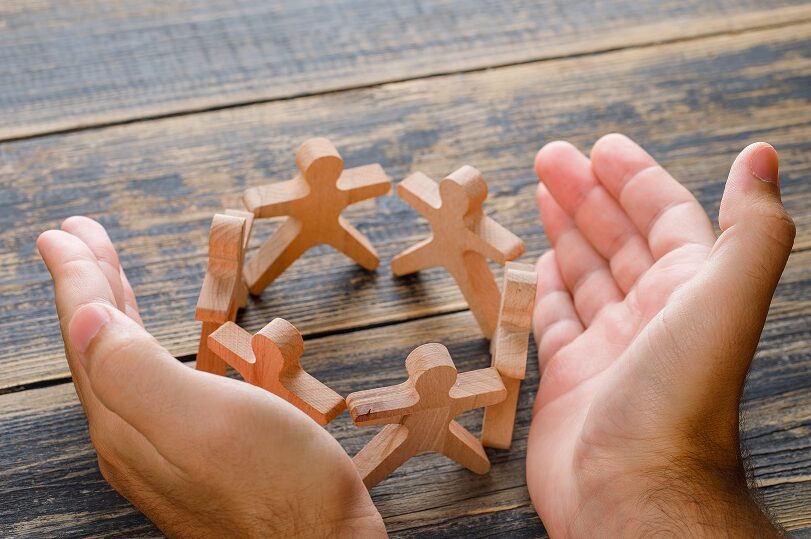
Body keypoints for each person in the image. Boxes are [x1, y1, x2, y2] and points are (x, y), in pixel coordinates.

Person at [37, 134, 793, 537]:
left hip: (444, 283)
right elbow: (361, 402)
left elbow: (378, 404)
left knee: (462, 311)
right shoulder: (282, 352)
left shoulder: (439, 382)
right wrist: (648, 484)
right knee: (327, 259)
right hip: (412, 270)